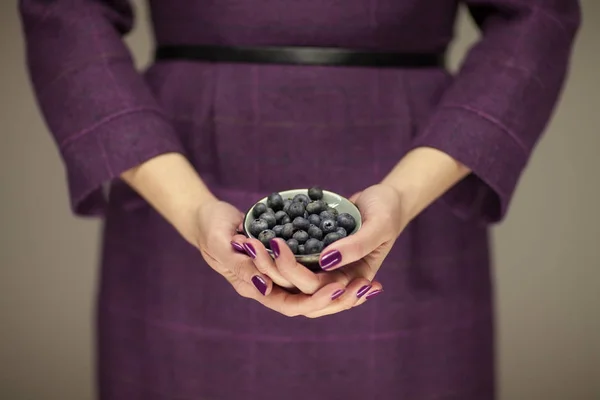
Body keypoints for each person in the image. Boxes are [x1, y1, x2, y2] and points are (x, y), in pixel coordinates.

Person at [19, 0, 580, 398]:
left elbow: (537, 14)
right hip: (178, 171)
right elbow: (66, 10)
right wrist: (192, 209)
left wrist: (405, 194)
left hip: (418, 166)